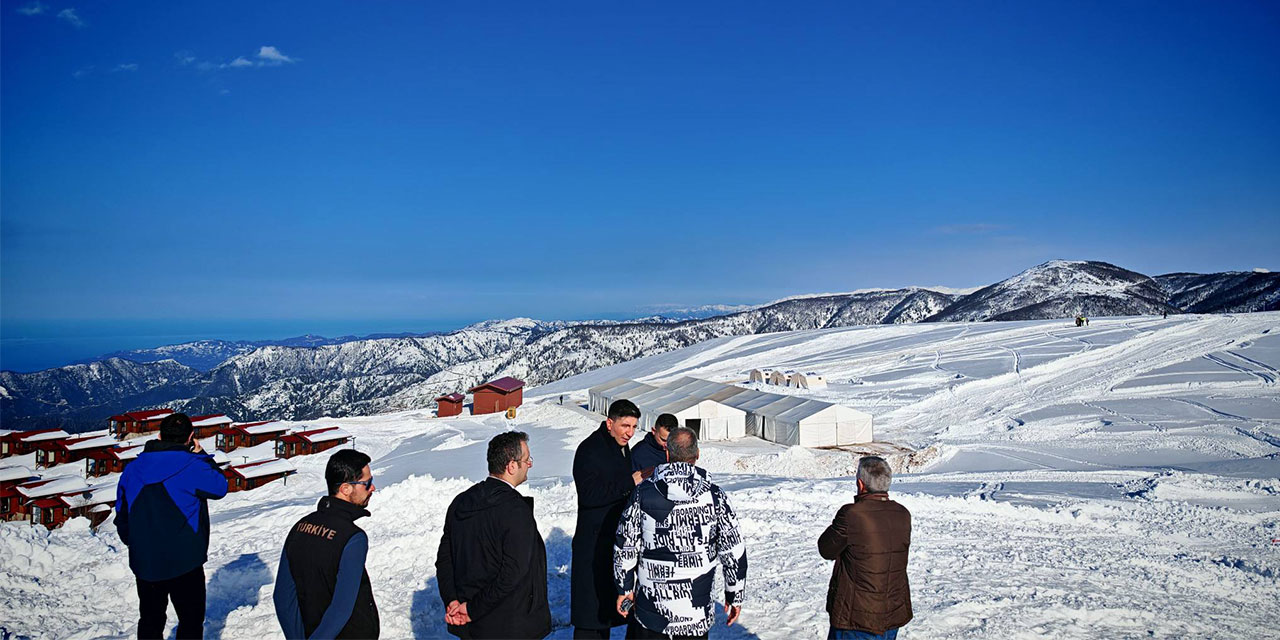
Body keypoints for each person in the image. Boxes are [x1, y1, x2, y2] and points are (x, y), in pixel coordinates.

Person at [614, 427, 747, 639]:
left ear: (667, 454)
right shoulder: (714, 496)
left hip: (652, 613)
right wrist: (734, 595)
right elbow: (733, 550)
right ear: (697, 455)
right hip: (695, 615)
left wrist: (625, 588)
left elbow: (626, 544)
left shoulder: (643, 493)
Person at [116, 412, 229, 639]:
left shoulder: (132, 469)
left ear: (159, 435)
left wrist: (137, 543)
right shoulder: (193, 465)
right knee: (190, 620)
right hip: (185, 560)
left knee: (150, 619)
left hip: (146, 560)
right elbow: (220, 487)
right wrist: (203, 455)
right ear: (190, 438)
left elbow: (122, 515)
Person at [436, 431, 551, 639]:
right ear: (511, 466)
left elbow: (445, 560)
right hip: (510, 624)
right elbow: (514, 572)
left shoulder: (461, 502)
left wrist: (452, 600)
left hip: (472, 626)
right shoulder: (515, 509)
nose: (529, 465)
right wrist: (472, 609)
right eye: (526, 460)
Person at [274, 449, 380, 640]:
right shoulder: (353, 538)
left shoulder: (299, 527)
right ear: (346, 489)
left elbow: (282, 598)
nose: (372, 488)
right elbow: (342, 608)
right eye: (367, 483)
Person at [818, 456, 912, 640]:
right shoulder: (903, 513)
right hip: (891, 613)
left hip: (857, 617)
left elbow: (826, 549)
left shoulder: (852, 514)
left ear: (861, 484)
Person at [572, 399, 644, 638]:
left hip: (610, 537)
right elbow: (589, 494)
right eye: (625, 426)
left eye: (634, 427)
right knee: (591, 615)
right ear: (609, 422)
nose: (630, 432)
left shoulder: (619, 446)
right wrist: (629, 482)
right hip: (593, 541)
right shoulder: (589, 449)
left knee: (604, 610)